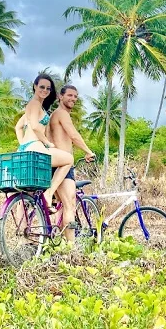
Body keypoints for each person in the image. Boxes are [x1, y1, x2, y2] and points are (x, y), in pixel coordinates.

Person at [15, 73, 74, 210]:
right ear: (35, 86)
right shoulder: (34, 104)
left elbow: (18, 127)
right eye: (42, 87)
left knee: (26, 194)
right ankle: (49, 193)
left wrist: (22, 144)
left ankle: (23, 228)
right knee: (68, 159)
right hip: (36, 147)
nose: (45, 90)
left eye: (48, 88)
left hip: (26, 148)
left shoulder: (33, 106)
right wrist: (47, 142)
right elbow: (35, 126)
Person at [48, 84, 95, 241]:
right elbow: (74, 135)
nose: (73, 98)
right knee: (70, 205)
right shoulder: (61, 113)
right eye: (69, 95)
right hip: (62, 165)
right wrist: (88, 151)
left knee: (61, 205)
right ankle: (71, 248)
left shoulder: (54, 115)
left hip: (55, 164)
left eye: (75, 96)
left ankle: (57, 240)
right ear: (60, 97)